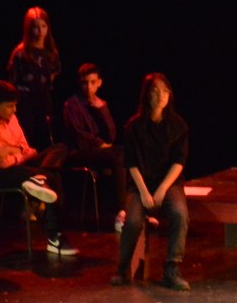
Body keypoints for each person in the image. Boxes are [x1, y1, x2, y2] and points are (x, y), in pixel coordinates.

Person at [0, 80, 76, 256]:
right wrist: (18, 153)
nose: (14, 110)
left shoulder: (12, 119)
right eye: (10, 106)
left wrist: (11, 151)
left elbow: (26, 147)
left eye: (15, 105)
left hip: (22, 165)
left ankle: (38, 181)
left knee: (59, 148)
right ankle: (55, 236)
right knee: (52, 177)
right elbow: (1, 163)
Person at [113, 72, 191, 291]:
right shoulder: (134, 127)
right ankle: (122, 268)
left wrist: (163, 188)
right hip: (140, 184)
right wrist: (145, 192)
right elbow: (131, 163)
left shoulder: (178, 126)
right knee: (133, 221)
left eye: (165, 91)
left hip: (168, 183)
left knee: (180, 214)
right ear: (147, 95)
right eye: (156, 91)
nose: (161, 95)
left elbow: (179, 161)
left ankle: (172, 269)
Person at [62, 63, 126, 228]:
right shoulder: (72, 105)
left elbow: (112, 134)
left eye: (92, 82)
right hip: (79, 152)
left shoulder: (101, 104)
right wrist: (100, 144)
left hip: (101, 151)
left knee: (127, 153)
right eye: (85, 82)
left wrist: (102, 109)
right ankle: (122, 210)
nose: (89, 87)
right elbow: (78, 135)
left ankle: (136, 209)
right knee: (118, 155)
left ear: (99, 83)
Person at [8, 6, 61, 149]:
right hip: (25, 103)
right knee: (28, 137)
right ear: (29, 28)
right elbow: (12, 81)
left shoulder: (51, 52)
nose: (40, 31)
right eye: (36, 27)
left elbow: (53, 75)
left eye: (43, 26)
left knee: (45, 139)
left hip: (43, 102)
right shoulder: (21, 53)